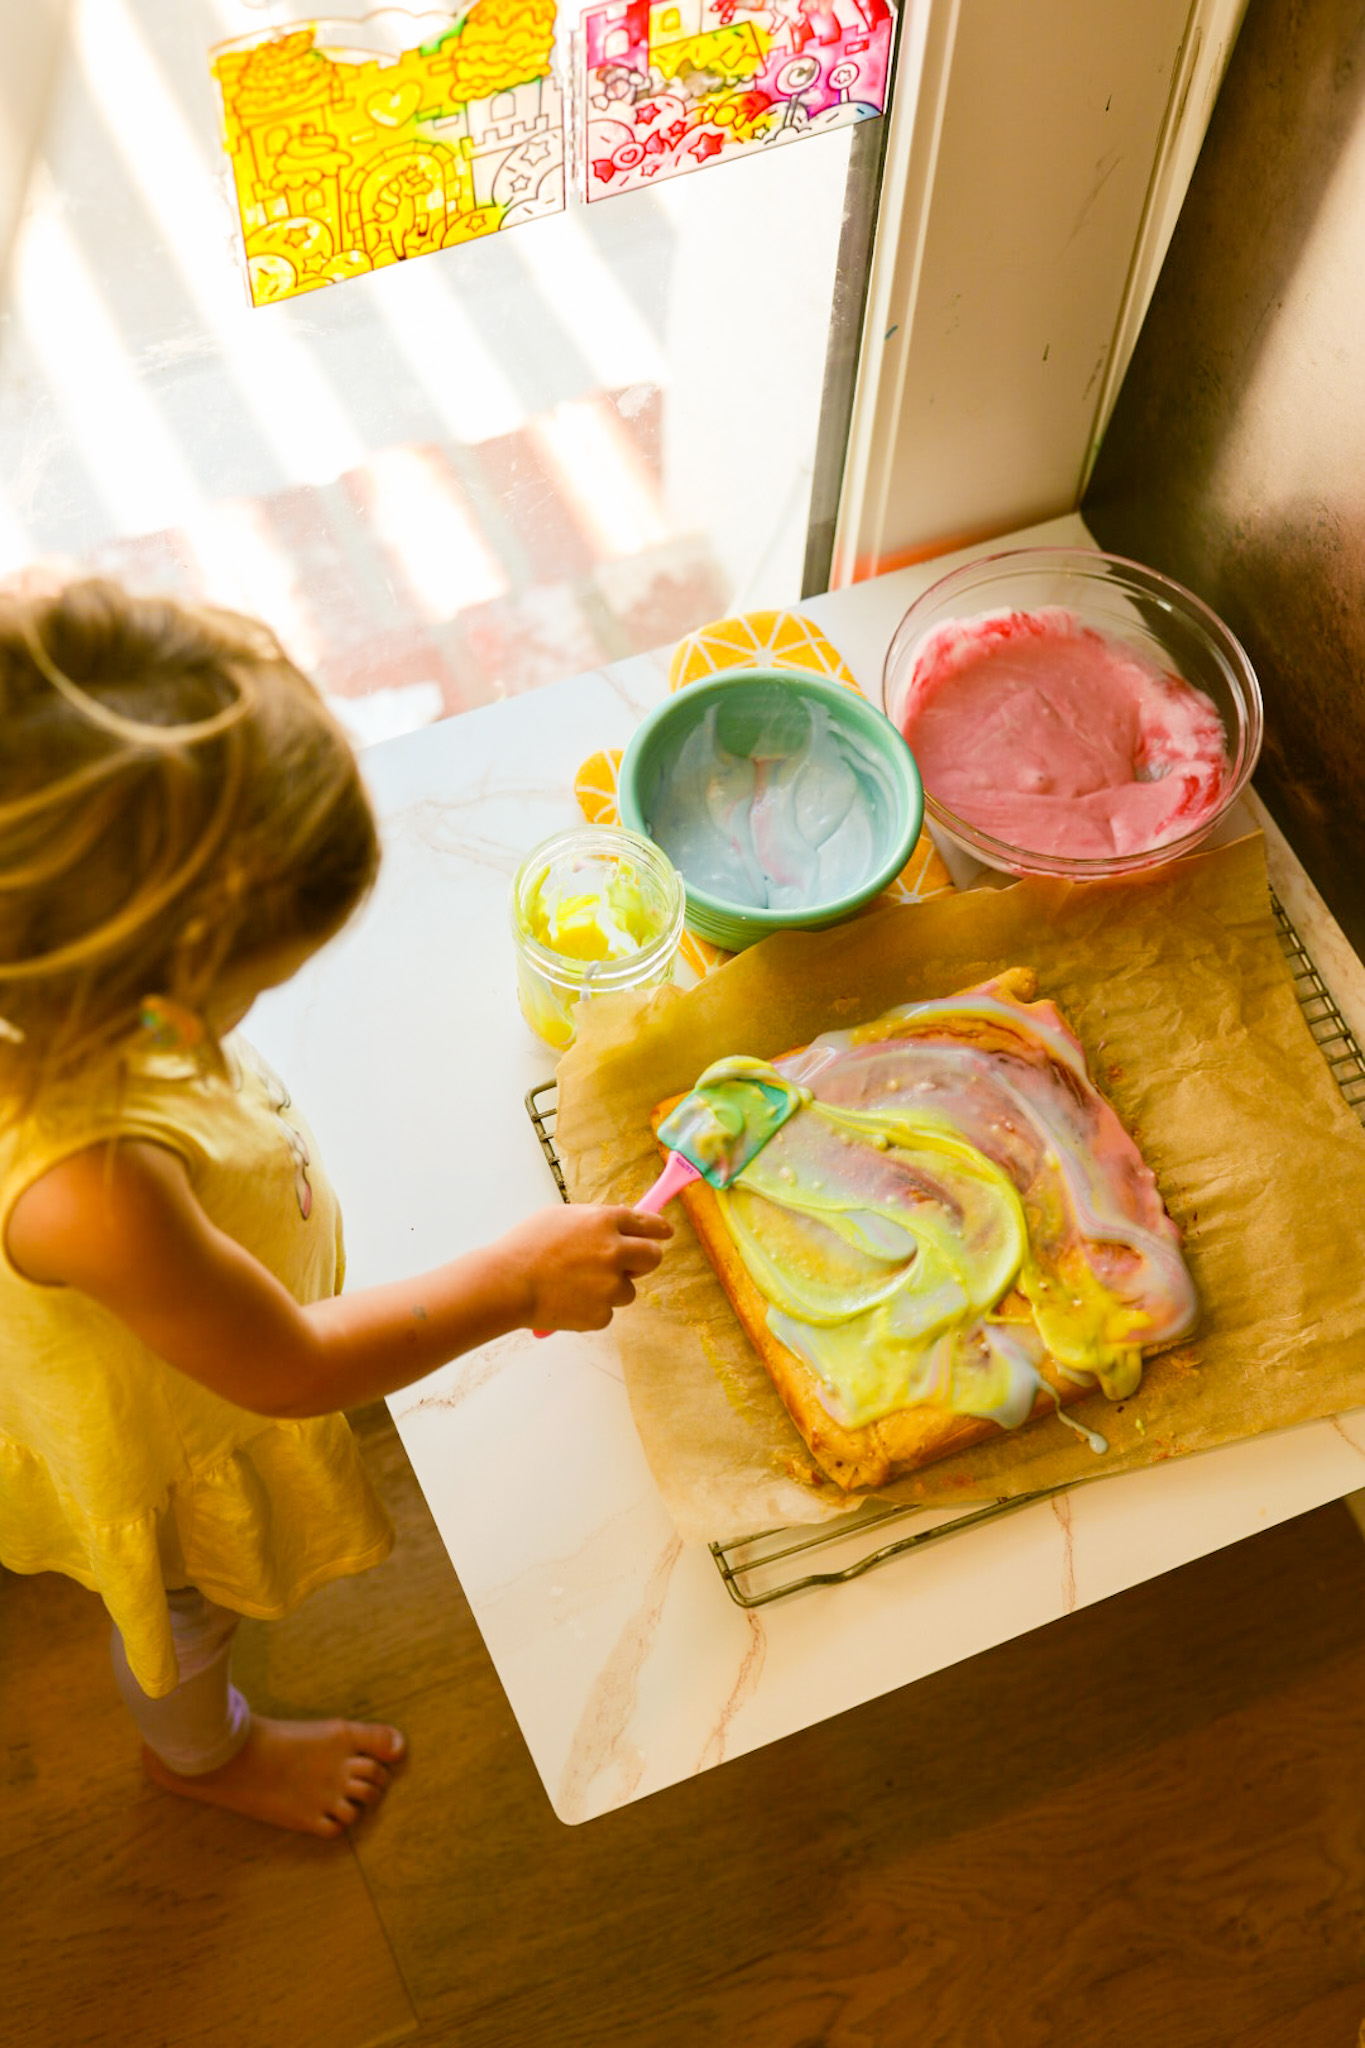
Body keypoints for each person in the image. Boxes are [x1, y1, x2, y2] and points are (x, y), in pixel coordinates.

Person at [0, 579, 671, 1839]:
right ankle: (200, 1756)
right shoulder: (94, 1191)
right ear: (149, 996)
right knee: (185, 1616)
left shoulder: (57, 989)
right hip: (162, 1421)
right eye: (249, 991)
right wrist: (514, 1283)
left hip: (181, 1275)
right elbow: (288, 1367)